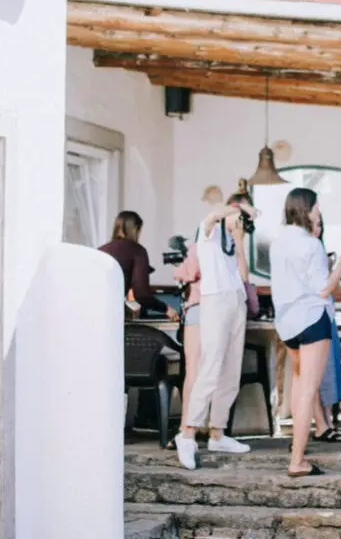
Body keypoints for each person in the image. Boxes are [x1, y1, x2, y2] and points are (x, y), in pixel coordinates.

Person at [270, 188, 341, 477]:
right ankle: (297, 460)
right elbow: (325, 288)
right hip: (312, 319)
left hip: (287, 324)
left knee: (299, 389)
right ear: (305, 209)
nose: (319, 210)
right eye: (316, 206)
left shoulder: (278, 243)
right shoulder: (311, 245)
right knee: (308, 391)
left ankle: (298, 454)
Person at [173, 187, 258, 470]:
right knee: (210, 368)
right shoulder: (208, 233)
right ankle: (187, 434)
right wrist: (239, 210)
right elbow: (212, 216)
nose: (239, 221)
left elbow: (243, 276)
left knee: (231, 371)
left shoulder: (232, 243)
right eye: (237, 214)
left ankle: (218, 432)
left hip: (236, 301)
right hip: (215, 301)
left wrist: (240, 239)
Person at [99, 210, 178, 321]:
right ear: (136, 229)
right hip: (111, 314)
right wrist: (166, 308)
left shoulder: (101, 250)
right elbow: (141, 294)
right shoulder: (137, 251)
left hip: (91, 309)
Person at [313, 213, 341, 442]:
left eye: (321, 224)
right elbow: (324, 288)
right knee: (319, 370)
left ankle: (327, 420)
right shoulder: (309, 248)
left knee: (330, 368)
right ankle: (322, 423)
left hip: (328, 313)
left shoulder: (317, 247)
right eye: (315, 224)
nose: (318, 229)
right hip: (317, 313)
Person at [170, 243, 202, 448]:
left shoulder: (197, 247)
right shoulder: (224, 247)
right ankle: (200, 428)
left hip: (197, 310)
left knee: (193, 373)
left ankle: (186, 429)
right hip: (211, 310)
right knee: (204, 373)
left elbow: (186, 273)